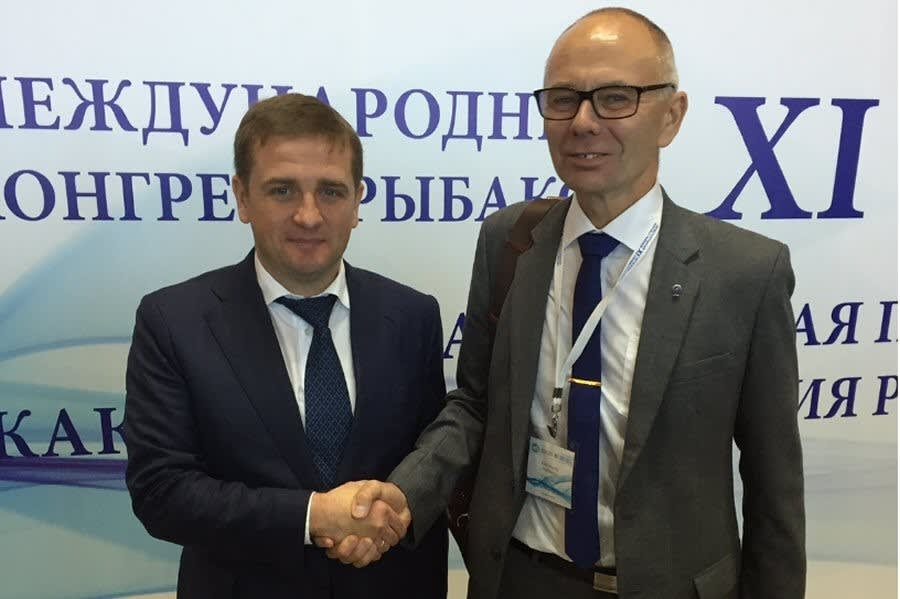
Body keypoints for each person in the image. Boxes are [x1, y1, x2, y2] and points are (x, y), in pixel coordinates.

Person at [346, 7, 805, 599]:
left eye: (615, 98)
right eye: (563, 100)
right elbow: (476, 403)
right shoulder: (510, 242)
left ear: (671, 115)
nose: (583, 122)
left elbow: (773, 480)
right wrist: (406, 493)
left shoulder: (745, 271)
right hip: (520, 577)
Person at [123, 93, 448, 599]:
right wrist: (314, 516)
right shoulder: (173, 322)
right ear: (242, 197)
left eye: (331, 192)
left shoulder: (413, 315)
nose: (309, 215)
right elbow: (161, 491)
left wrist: (391, 516)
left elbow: (429, 458)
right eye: (282, 190)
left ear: (358, 202)